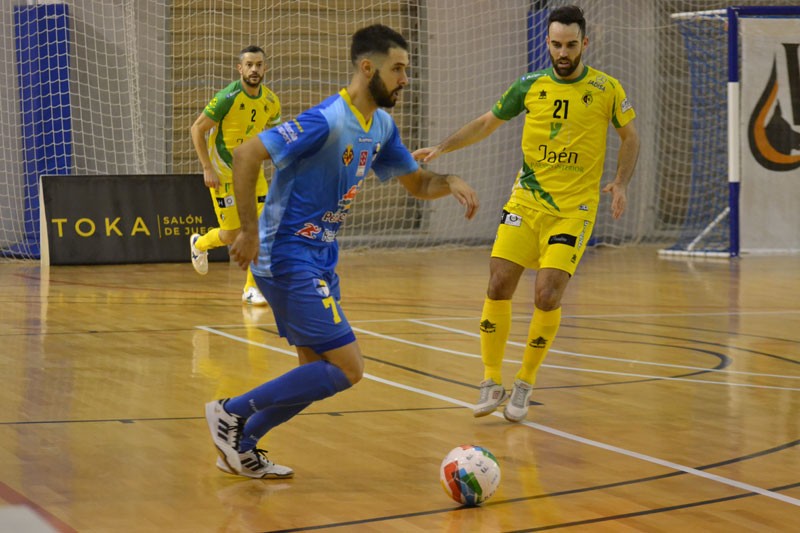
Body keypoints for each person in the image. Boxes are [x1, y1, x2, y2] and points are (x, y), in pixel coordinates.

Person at [204, 24, 479, 479]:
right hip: (286, 254)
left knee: (316, 375)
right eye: (398, 70)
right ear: (367, 68)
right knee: (349, 369)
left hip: (321, 256)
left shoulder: (383, 126)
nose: (404, 80)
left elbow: (417, 184)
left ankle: (242, 445)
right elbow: (248, 154)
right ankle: (230, 413)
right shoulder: (327, 119)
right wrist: (248, 232)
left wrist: (448, 182)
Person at [414, 5, 640, 423]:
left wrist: (621, 182)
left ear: (584, 43)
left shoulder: (607, 88)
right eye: (556, 44)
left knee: (547, 294)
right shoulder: (529, 85)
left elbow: (630, 137)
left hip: (574, 210)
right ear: (548, 43)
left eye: (571, 44)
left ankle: (525, 382)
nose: (563, 52)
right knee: (499, 284)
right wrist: (442, 148)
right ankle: (490, 379)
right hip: (526, 202)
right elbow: (486, 123)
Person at [189, 45, 281, 306]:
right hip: (223, 174)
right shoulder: (227, 97)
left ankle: (251, 288)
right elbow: (196, 129)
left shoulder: (271, 101)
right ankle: (200, 244)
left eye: (259, 64)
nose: (254, 69)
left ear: (265, 67)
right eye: (249, 64)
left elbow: (274, 137)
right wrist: (207, 167)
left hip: (253, 174)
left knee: (258, 230)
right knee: (232, 234)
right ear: (240, 68)